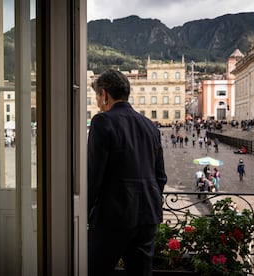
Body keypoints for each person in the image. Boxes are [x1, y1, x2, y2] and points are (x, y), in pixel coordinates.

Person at [87, 69, 168, 276]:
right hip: (148, 215)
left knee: (94, 269)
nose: (97, 102)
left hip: (114, 215)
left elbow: (94, 175)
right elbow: (160, 176)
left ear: (104, 94)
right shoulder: (150, 126)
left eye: (97, 96)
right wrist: (152, 199)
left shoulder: (102, 121)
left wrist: (84, 211)